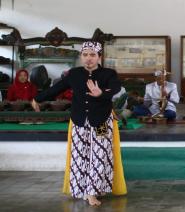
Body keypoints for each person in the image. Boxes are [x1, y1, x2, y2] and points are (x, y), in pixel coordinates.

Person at [31, 41, 126, 206]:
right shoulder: (74, 74)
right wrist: (37, 98)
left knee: (100, 155)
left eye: (92, 55)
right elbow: (56, 89)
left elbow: (115, 87)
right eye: (85, 55)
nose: (88, 58)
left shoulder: (108, 74)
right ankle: (83, 189)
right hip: (79, 121)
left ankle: (92, 191)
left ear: (99, 57)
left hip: (102, 121)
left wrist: (101, 93)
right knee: (79, 156)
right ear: (81, 56)